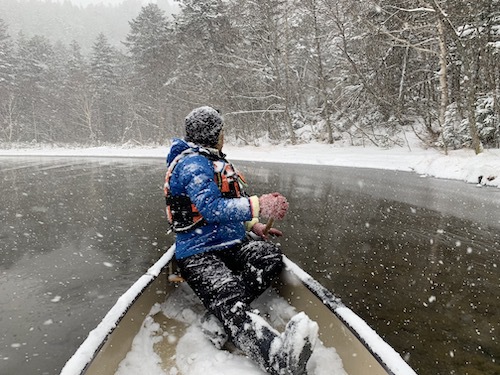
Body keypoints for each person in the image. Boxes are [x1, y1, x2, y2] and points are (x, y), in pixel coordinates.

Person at [164, 106, 318, 374]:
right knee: (228, 292)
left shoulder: (213, 161)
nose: (224, 135)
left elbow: (226, 205)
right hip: (198, 251)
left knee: (268, 257)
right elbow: (211, 208)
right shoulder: (192, 164)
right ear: (213, 133)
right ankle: (277, 359)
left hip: (232, 245)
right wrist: (259, 204)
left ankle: (221, 315)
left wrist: (253, 226)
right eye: (222, 130)